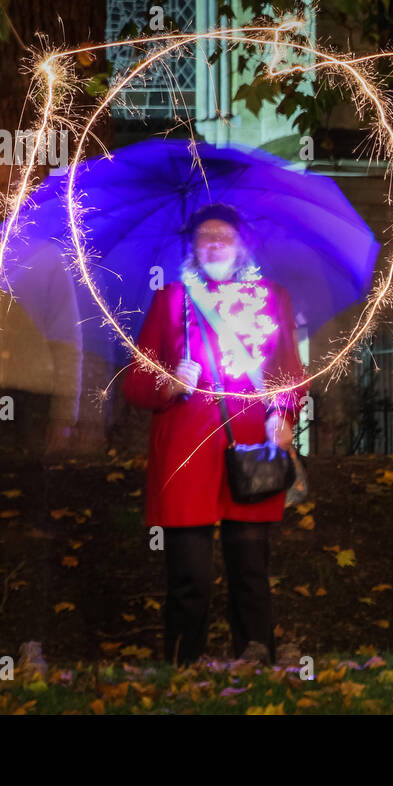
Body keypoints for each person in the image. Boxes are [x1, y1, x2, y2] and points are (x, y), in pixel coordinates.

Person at [123, 203, 308, 665]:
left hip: (250, 445)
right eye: (205, 236)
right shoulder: (171, 300)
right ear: (192, 245)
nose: (214, 243)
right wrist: (169, 382)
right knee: (190, 573)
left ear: (242, 244)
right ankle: (184, 663)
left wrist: (282, 414)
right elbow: (136, 382)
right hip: (187, 453)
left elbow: (289, 370)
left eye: (224, 235)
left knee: (250, 565)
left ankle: (256, 653)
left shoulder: (272, 297)